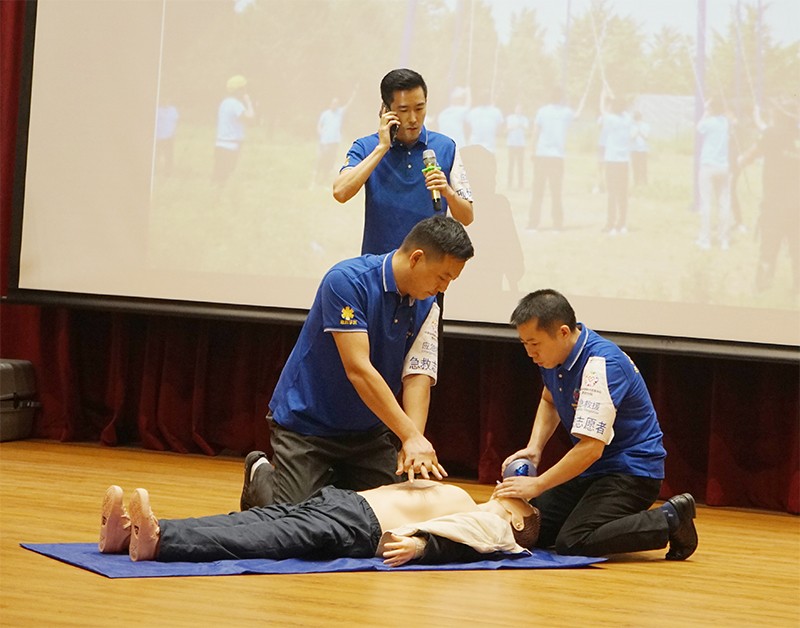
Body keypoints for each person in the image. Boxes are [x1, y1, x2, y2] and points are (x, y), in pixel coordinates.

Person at [241, 216, 474, 511]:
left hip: (367, 433)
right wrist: (410, 435)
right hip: (307, 426)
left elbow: (417, 376)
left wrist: (410, 445)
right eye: (443, 277)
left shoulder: (428, 304)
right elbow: (358, 369)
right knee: (294, 522)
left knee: (392, 513)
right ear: (417, 258)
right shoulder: (346, 281)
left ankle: (336, 479)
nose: (444, 287)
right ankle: (260, 472)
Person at [493, 289, 698, 561]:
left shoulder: (600, 364)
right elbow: (549, 399)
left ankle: (671, 518)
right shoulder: (553, 357)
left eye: (535, 343)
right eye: (524, 343)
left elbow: (591, 449)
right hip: (594, 471)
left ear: (564, 332)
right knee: (535, 531)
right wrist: (534, 448)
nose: (530, 353)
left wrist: (538, 484)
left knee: (574, 540)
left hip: (632, 472)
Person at [98, 480, 541, 565]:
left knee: (264, 536)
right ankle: (128, 533)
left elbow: (465, 541)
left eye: (522, 503)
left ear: (519, 523)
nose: (515, 494)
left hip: (358, 527)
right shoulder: (474, 499)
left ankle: (162, 540)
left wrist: (424, 548)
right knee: (253, 518)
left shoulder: (497, 528)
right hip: (345, 502)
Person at [333, 68, 474, 256]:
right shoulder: (366, 147)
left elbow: (467, 216)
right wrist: (382, 147)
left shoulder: (446, 147)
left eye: (419, 108)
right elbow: (340, 192)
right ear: (386, 110)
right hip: (378, 268)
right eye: (404, 110)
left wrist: (448, 192)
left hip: (429, 270)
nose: (414, 118)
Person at [738, 99, 800, 294]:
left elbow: (749, 156)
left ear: (779, 115)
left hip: (775, 206)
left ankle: (762, 290)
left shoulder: (772, 134)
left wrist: (740, 161)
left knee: (768, 250)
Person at [527, 86, 588, 231]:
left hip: (542, 156)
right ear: (561, 98)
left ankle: (533, 224)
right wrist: (583, 99)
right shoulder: (566, 112)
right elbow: (578, 115)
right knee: (556, 192)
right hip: (557, 157)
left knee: (537, 191)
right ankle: (557, 225)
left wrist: (532, 150)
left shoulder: (542, 111)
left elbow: (535, 132)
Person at [695, 97, 731, 250]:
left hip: (709, 166)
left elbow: (698, 128)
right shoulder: (725, 122)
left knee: (706, 203)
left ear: (712, 109)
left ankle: (706, 240)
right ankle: (724, 240)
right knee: (724, 204)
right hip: (723, 166)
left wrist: (705, 111)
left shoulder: (709, 122)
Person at [599, 87, 632, 235]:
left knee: (612, 193)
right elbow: (620, 109)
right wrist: (613, 98)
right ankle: (622, 224)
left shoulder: (610, 119)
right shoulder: (627, 119)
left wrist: (603, 96)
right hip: (624, 161)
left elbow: (603, 111)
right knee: (622, 193)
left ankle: (610, 225)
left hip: (612, 161)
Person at [213, 74, 255, 185]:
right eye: (244, 88)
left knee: (219, 178)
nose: (246, 91)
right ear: (239, 90)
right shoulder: (236, 104)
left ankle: (215, 198)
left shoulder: (224, 103)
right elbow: (250, 120)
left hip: (220, 144)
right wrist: (249, 102)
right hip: (231, 146)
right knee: (226, 178)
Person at [312, 90, 356, 188]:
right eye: (333, 103)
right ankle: (314, 180)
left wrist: (354, 93)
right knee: (321, 160)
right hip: (325, 142)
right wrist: (320, 133)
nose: (334, 105)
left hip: (334, 141)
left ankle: (324, 180)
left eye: (336, 103)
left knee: (330, 161)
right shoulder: (325, 114)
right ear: (330, 104)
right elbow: (319, 125)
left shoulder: (339, 113)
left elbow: (349, 105)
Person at [505, 104, 529, 189]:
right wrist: (514, 127)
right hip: (511, 144)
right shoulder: (510, 118)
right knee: (511, 164)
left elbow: (526, 128)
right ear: (514, 109)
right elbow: (507, 129)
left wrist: (520, 125)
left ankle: (521, 184)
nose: (518, 111)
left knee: (520, 165)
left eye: (520, 109)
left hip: (521, 145)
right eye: (517, 109)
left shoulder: (524, 119)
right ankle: (509, 183)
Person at [630, 110, 650, 187]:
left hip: (643, 149)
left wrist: (640, 131)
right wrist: (636, 131)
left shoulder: (646, 125)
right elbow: (631, 137)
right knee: (635, 166)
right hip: (634, 149)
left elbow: (646, 137)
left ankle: (644, 182)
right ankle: (636, 182)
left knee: (643, 167)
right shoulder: (631, 126)